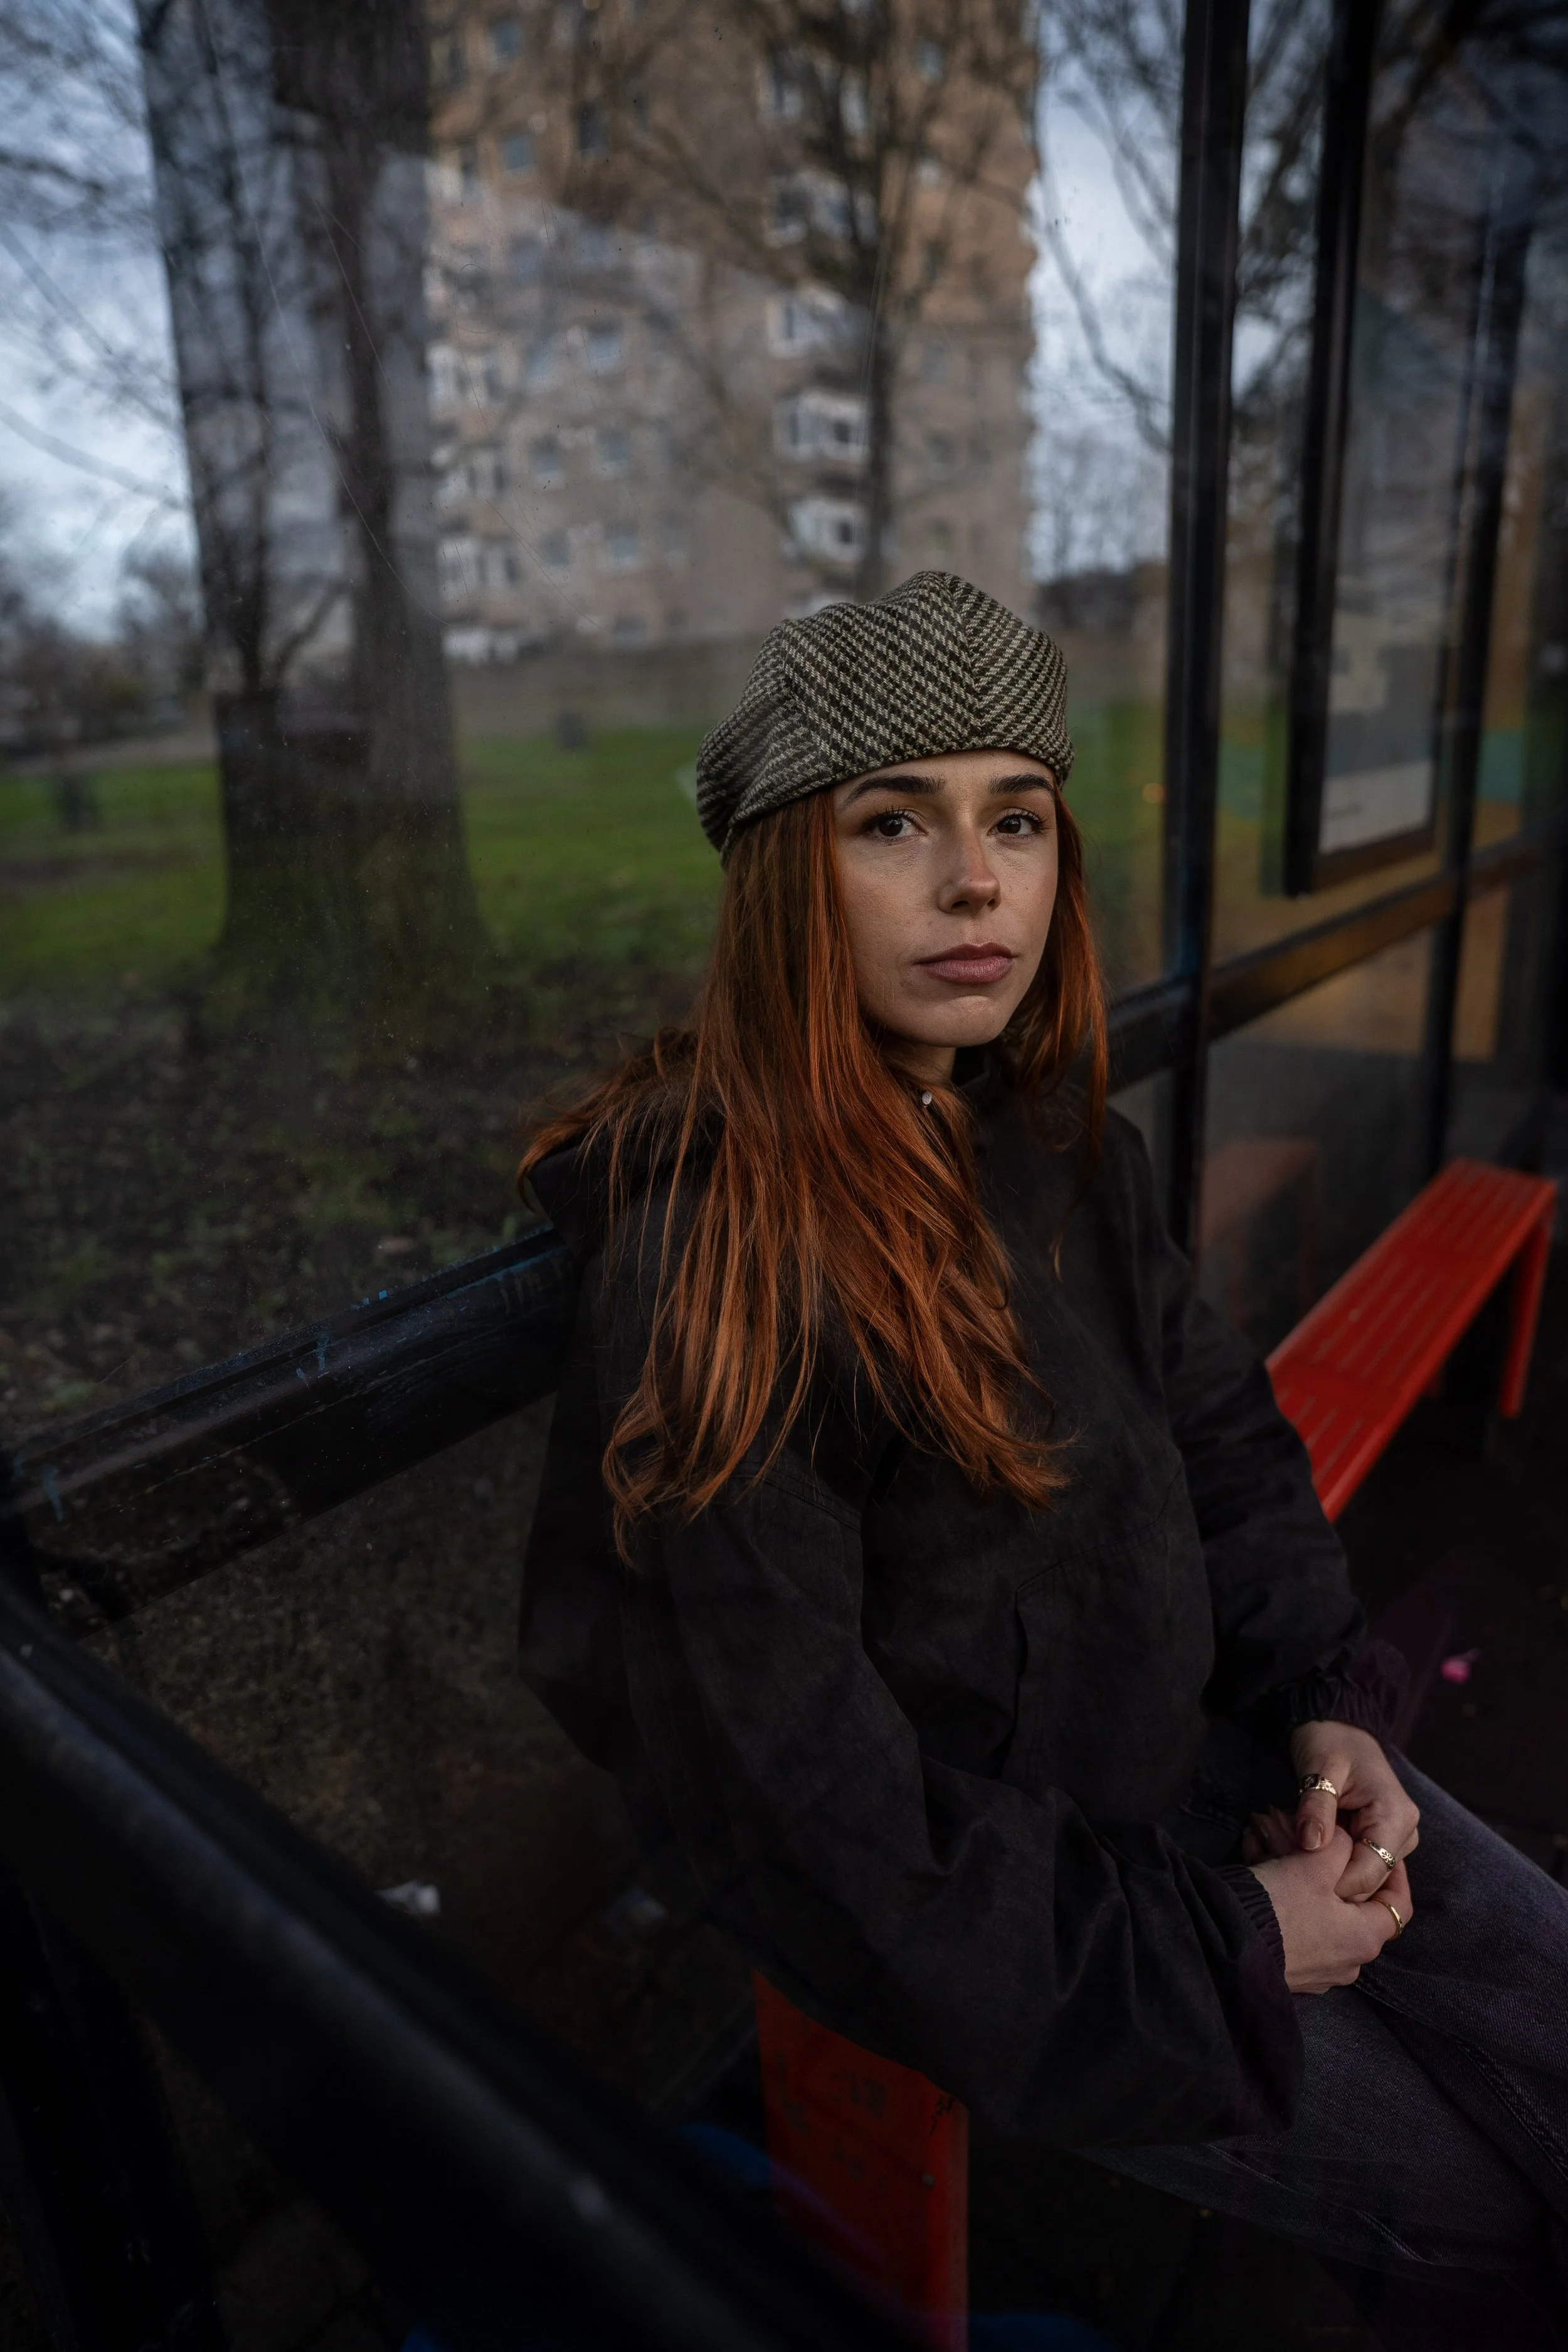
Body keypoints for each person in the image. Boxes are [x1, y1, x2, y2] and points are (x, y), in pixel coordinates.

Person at [516, 573, 1568, 2345]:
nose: (975, 880)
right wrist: (1233, 1946)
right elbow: (802, 1795)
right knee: (1480, 2211)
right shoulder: (721, 1257)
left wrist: (1328, 1710)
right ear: (783, 879)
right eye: (890, 822)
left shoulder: (1059, 1145)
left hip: (1230, 1761)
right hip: (1054, 1922)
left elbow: (1224, 1440)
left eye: (1015, 816)